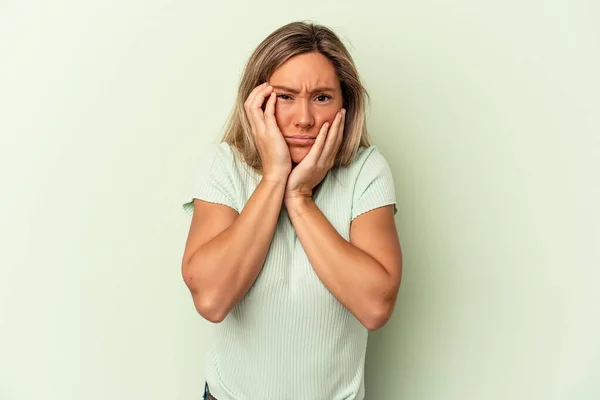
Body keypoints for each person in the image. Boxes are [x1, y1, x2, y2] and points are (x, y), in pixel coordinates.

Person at [181, 21, 403, 400]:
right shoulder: (224, 166)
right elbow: (212, 300)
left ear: (344, 105)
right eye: (285, 96)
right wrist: (274, 179)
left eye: (321, 97)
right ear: (257, 101)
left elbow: (375, 306)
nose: (304, 118)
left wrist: (299, 198)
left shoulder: (366, 170)